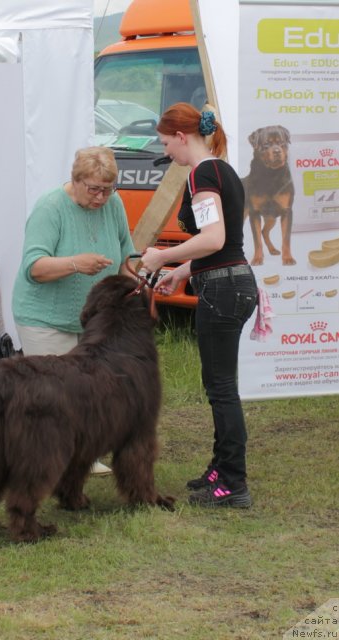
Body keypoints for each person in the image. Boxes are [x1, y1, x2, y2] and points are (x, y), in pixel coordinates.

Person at [141, 103, 258, 508]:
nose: (166, 152)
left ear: (179, 136)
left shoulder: (202, 173)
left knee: (221, 389)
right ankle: (220, 468)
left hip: (224, 291)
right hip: (232, 283)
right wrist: (185, 271)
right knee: (219, 385)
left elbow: (212, 237)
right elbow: (222, 245)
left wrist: (162, 258)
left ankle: (232, 484)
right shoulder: (222, 169)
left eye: (164, 143)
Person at [12, 146, 136, 476]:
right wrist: (75, 264)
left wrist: (140, 284)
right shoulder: (50, 208)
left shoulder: (114, 205)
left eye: (107, 190)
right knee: (51, 398)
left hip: (93, 322)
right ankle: (42, 462)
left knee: (90, 393)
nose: (100, 198)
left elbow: (127, 255)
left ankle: (83, 456)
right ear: (76, 180)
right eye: (93, 189)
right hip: (46, 319)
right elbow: (34, 267)